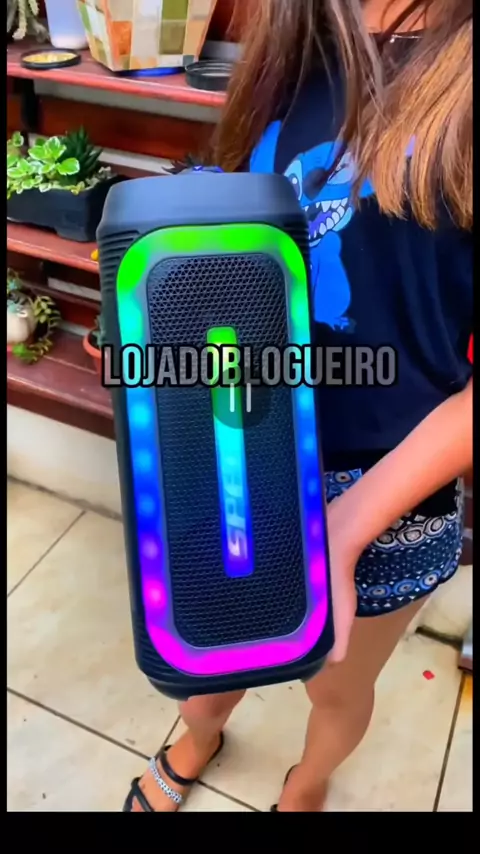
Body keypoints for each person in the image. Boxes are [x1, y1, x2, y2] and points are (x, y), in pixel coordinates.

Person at [123, 0, 472, 812]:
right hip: (238, 450)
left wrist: (342, 535)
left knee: (336, 688)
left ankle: (307, 785)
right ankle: (199, 737)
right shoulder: (297, 38)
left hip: (386, 492)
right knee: (206, 667)